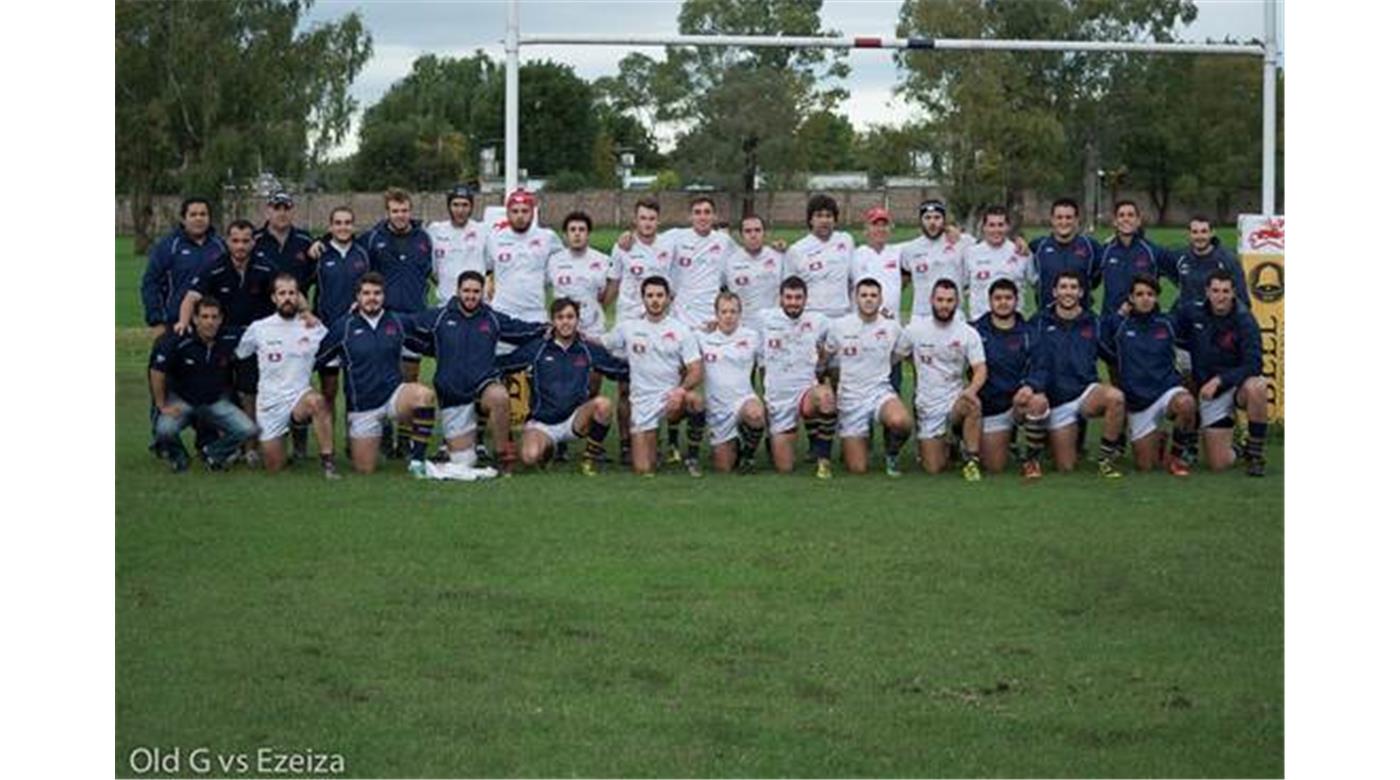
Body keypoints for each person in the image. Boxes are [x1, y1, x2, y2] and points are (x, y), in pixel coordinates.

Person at [412, 270, 547, 475]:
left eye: (476, 291)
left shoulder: (491, 317)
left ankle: (502, 455)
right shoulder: (439, 317)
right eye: (466, 291)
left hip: (483, 385)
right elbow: (405, 325)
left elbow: (522, 330)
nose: (471, 296)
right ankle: (459, 446)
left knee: (500, 395)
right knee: (464, 462)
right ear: (457, 291)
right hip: (453, 394)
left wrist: (548, 328)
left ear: (482, 292)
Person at [314, 273, 438, 476]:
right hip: (363, 407)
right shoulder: (343, 327)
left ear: (384, 296)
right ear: (357, 297)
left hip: (393, 397)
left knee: (423, 396)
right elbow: (317, 358)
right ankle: (378, 435)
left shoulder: (397, 322)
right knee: (365, 470)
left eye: (377, 293)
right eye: (366, 293)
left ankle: (417, 461)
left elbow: (428, 345)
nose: (372, 298)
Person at [175, 219, 278, 462]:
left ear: (253, 242)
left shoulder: (265, 268)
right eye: (235, 240)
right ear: (227, 242)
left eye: (245, 241)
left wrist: (304, 313)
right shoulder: (214, 268)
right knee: (216, 392)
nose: (240, 246)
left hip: (253, 342)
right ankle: (219, 445)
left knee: (248, 394)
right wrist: (182, 322)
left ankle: (250, 449)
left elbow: (287, 291)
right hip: (220, 341)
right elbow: (191, 298)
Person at [496, 298, 630, 475]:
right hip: (543, 422)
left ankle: (589, 459)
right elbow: (504, 365)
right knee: (530, 457)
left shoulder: (587, 349)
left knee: (603, 404)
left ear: (577, 320)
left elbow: (617, 369)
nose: (565, 322)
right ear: (553, 321)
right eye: (560, 317)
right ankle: (549, 448)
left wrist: (648, 367)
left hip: (575, 419)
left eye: (570, 317)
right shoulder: (538, 348)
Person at [235, 274, 339, 478]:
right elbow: (240, 353)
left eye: (292, 293)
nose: (288, 298)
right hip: (270, 404)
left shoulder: (313, 327)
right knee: (275, 467)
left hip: (299, 397)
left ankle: (328, 463)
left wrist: (311, 316)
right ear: (274, 298)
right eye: (282, 293)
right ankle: (282, 441)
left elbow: (334, 351)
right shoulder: (259, 328)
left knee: (318, 402)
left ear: (299, 296)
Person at [1025, 271, 1127, 476]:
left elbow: (1112, 356)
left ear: (1081, 292)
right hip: (1055, 399)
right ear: (1054, 291)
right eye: (1063, 287)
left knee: (1115, 398)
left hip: (1084, 393)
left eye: (1073, 287)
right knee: (1066, 467)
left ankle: (1105, 460)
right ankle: (1034, 454)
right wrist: (1034, 388)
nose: (1068, 292)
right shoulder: (1039, 321)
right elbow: (1028, 358)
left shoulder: (1093, 322)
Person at [601, 276, 705, 477]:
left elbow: (696, 369)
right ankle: (652, 442)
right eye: (650, 296)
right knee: (644, 469)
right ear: (643, 299)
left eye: (659, 295)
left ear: (668, 298)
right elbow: (601, 343)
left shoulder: (681, 330)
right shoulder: (629, 328)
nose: (655, 300)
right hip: (642, 402)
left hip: (671, 399)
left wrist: (680, 391)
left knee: (695, 400)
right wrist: (571, 334)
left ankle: (692, 457)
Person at [1175, 270, 1269, 476]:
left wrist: (1220, 380)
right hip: (1208, 390)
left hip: (1236, 387)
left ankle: (1255, 454)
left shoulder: (1245, 320)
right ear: (1207, 292)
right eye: (1216, 290)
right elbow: (1169, 331)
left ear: (1234, 292)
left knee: (1258, 387)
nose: (1221, 296)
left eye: (1226, 291)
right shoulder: (1192, 312)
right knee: (1218, 464)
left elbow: (1254, 364)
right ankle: (1235, 448)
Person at [1101, 276, 1196, 475]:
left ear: (1157, 298)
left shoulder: (1168, 323)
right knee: (1146, 466)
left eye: (1150, 294)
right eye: (1140, 294)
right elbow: (1100, 346)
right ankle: (1158, 437)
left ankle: (1176, 457)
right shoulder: (1118, 325)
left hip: (1166, 392)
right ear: (1131, 298)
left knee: (1186, 403)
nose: (1145, 299)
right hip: (1138, 402)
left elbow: (1193, 345)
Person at [149, 297, 257, 472]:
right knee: (164, 430)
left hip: (214, 401)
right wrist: (161, 404)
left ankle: (213, 454)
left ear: (221, 319)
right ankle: (179, 459)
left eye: (214, 317)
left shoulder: (230, 337)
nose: (210, 322)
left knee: (248, 429)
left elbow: (261, 332)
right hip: (183, 401)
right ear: (195, 319)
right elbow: (157, 370)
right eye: (205, 317)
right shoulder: (178, 340)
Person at [608, 197, 674, 466]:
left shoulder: (668, 246)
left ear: (658, 221)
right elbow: (613, 285)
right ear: (635, 220)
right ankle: (626, 442)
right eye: (643, 218)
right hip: (628, 325)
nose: (647, 223)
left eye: (652, 218)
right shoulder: (622, 246)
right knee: (626, 389)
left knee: (660, 385)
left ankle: (656, 440)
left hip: (658, 324)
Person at [899, 279, 987, 480]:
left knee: (972, 404)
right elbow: (898, 355)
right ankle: (952, 442)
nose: (944, 305)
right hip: (927, 405)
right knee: (934, 468)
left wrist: (970, 390)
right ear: (931, 300)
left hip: (955, 401)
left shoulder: (967, 332)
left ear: (957, 302)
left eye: (949, 300)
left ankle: (971, 460)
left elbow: (980, 369)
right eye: (940, 300)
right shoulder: (915, 330)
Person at [826, 278, 914, 476]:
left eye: (873, 295)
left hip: (879, 392)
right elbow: (826, 358)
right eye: (864, 295)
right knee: (858, 468)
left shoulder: (892, 327)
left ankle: (891, 455)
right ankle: (854, 439)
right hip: (850, 398)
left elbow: (899, 356)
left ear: (880, 299)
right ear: (855, 298)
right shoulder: (839, 326)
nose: (869, 300)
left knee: (901, 421)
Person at [758, 276, 838, 478]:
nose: (793, 302)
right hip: (778, 399)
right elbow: (736, 327)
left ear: (805, 299)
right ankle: (773, 438)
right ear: (780, 299)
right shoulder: (764, 319)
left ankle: (823, 458)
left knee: (826, 397)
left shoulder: (819, 321)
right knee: (784, 468)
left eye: (798, 298)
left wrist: (824, 357)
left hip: (806, 393)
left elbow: (844, 332)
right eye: (789, 297)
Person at [972, 279, 1050, 477]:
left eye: (1008, 298)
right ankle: (1005, 441)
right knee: (994, 467)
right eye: (998, 298)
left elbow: (1041, 367)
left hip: (1019, 402)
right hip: (992, 407)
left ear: (1016, 301)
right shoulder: (975, 331)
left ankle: (1032, 459)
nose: (1003, 302)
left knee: (1039, 402)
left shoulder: (1029, 332)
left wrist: (1030, 386)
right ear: (989, 301)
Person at [309, 206, 371, 425]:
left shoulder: (363, 253)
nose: (343, 227)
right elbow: (301, 285)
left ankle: (354, 441)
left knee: (356, 391)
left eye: (347, 223)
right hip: (327, 332)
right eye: (338, 223)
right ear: (330, 227)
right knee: (328, 392)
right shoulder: (319, 253)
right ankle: (329, 448)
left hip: (357, 331)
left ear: (353, 226)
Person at [699, 292, 767, 473]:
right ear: (716, 314)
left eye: (733, 311)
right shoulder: (702, 338)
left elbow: (766, 366)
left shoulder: (752, 337)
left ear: (740, 314)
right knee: (724, 468)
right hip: (717, 409)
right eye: (724, 312)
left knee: (755, 414)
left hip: (743, 401)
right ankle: (735, 441)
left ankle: (748, 456)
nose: (729, 316)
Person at [141, 196, 228, 335]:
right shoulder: (168, 246)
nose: (198, 218)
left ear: (209, 218)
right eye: (193, 214)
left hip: (213, 324)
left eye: (203, 214)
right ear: (183, 219)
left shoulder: (220, 246)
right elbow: (151, 283)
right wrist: (156, 320)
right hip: (175, 324)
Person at [485, 188, 564, 324]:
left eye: (525, 211)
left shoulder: (547, 237)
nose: (520, 216)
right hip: (502, 311)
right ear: (508, 213)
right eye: (515, 211)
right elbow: (486, 269)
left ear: (533, 212)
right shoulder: (494, 238)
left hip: (535, 312)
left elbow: (562, 265)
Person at [662, 195, 735, 330]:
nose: (702, 217)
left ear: (714, 216)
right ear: (690, 216)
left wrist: (777, 250)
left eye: (707, 212)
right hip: (682, 314)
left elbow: (745, 258)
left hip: (711, 313)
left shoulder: (724, 241)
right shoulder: (675, 236)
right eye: (697, 212)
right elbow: (648, 241)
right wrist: (630, 238)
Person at [784, 194, 856, 319]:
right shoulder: (797, 250)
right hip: (810, 315)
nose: (824, 220)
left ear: (835, 219)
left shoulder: (846, 240)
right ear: (810, 220)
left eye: (828, 216)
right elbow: (789, 288)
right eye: (819, 216)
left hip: (841, 314)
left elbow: (853, 279)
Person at [1024, 197, 1101, 312]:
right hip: (1046, 318)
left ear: (1076, 220)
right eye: (1059, 217)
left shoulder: (1091, 247)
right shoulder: (1038, 246)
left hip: (1081, 318)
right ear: (1052, 220)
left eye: (1069, 217)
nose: (1064, 222)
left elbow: (1096, 278)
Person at [1161, 215, 1250, 313]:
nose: (1199, 237)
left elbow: (1242, 299)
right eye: (1195, 232)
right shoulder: (1180, 257)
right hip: (1186, 318)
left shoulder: (1228, 260)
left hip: (1214, 320)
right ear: (1189, 234)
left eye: (1204, 231)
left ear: (1212, 233)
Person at [901, 199, 972, 320]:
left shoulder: (962, 242)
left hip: (954, 316)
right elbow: (900, 283)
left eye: (937, 217)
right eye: (927, 218)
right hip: (921, 316)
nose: (932, 222)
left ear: (944, 220)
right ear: (921, 221)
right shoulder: (910, 249)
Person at [1099, 199, 1173, 315]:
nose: (1126, 219)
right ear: (1115, 221)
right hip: (1112, 323)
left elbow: (1181, 277)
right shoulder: (1104, 251)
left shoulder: (1153, 251)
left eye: (1130, 215)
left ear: (1138, 221)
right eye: (1121, 215)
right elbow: (1089, 280)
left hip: (1146, 324)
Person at [547, 211, 614, 338]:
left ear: (588, 234)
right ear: (565, 235)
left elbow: (608, 292)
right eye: (572, 230)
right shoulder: (553, 261)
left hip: (594, 331)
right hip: (563, 330)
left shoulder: (603, 260)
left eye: (581, 230)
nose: (577, 234)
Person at [962, 205, 1035, 322]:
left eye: (1000, 225)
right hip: (980, 323)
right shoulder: (971, 253)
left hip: (1013, 325)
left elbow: (1036, 283)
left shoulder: (1021, 252)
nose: (996, 230)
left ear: (1008, 227)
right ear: (984, 227)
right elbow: (961, 286)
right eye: (991, 225)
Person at [427, 184, 488, 307]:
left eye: (465, 205)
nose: (460, 210)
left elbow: (492, 268)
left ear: (471, 207)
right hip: (446, 303)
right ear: (449, 206)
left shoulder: (484, 231)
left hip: (477, 304)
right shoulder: (435, 230)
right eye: (456, 205)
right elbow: (430, 269)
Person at [721, 214, 784, 333]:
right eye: (748, 231)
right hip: (742, 328)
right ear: (741, 236)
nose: (753, 235)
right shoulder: (730, 262)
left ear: (764, 233)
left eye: (757, 230)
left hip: (773, 327)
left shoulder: (779, 257)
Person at [252, 191, 315, 294]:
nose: (282, 214)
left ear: (293, 212)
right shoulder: (254, 240)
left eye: (286, 209)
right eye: (277, 209)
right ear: (267, 212)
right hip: (262, 307)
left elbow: (317, 274)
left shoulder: (305, 241)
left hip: (296, 306)